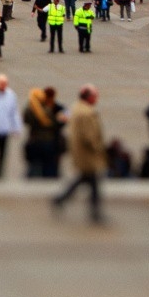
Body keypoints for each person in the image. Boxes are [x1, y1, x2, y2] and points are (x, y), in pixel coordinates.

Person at [52, 88, 108, 225]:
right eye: (95, 97)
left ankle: (61, 199)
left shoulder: (76, 107)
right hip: (87, 153)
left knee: (85, 179)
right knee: (91, 180)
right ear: (88, 98)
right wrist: (99, 149)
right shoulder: (87, 113)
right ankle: (95, 213)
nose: (97, 99)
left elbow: (63, 117)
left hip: (79, 151)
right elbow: (89, 136)